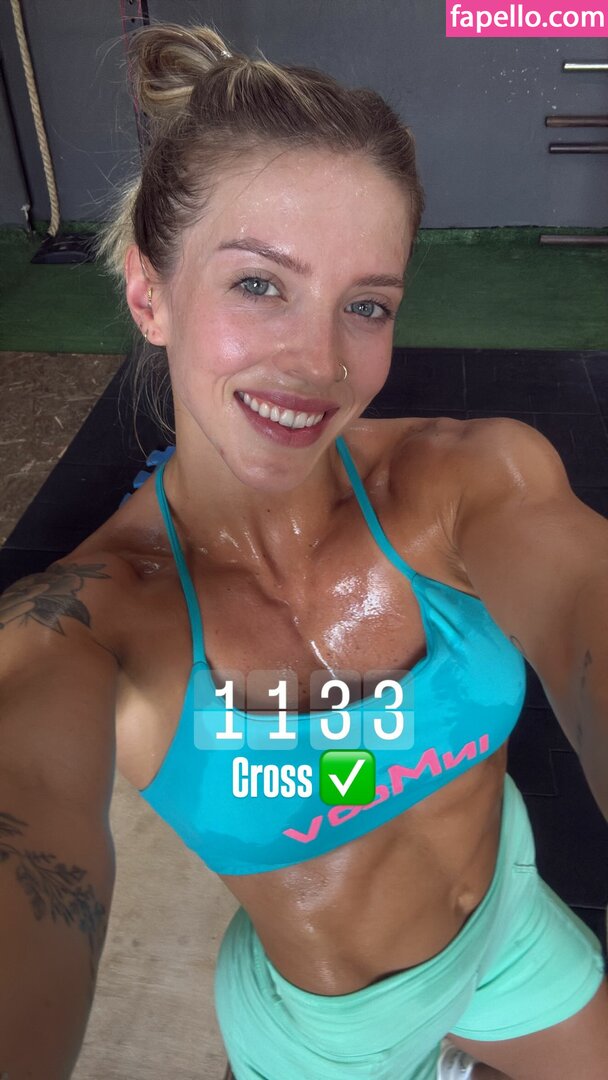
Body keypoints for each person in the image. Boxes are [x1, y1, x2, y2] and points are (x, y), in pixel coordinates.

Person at [1, 21, 607, 1080]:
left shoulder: (468, 482)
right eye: (259, 284)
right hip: (334, 1037)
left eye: (365, 305)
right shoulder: (84, 630)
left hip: (509, 927)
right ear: (150, 293)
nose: (318, 362)